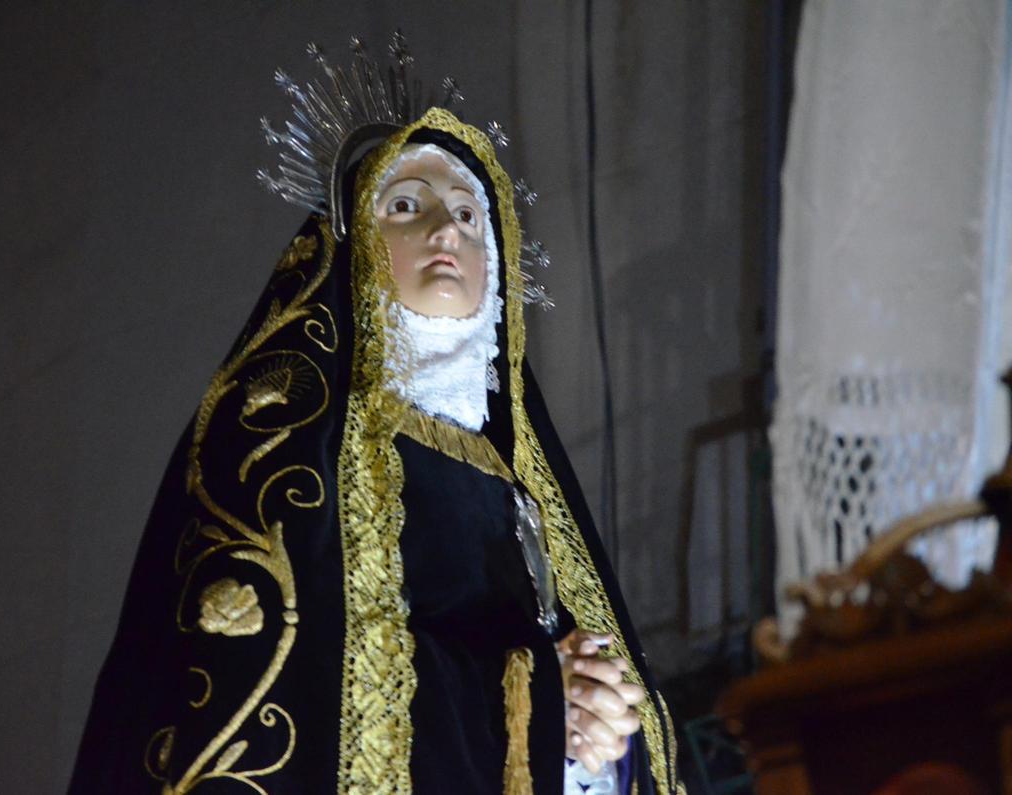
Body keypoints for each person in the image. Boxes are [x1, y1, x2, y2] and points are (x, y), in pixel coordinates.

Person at [70, 35, 682, 795]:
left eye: (468, 213)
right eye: (405, 205)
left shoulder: (528, 482)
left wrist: (606, 736)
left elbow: (591, 711)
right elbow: (288, 683)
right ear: (354, 241)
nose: (447, 229)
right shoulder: (283, 441)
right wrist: (538, 700)